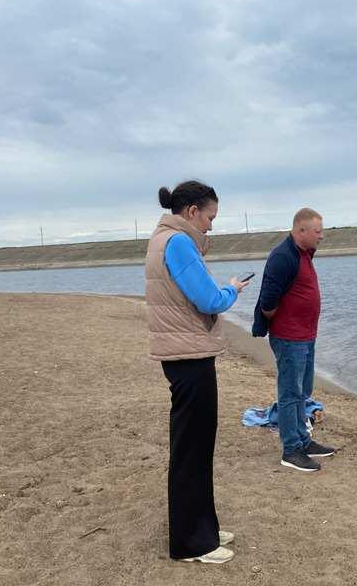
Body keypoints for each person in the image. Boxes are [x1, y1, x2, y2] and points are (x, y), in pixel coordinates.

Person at [145, 180, 250, 564]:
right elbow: (209, 299)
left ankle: (201, 526)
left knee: (194, 447)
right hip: (189, 357)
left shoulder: (164, 238)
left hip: (182, 355)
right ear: (192, 212)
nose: (211, 226)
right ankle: (193, 543)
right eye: (210, 217)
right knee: (192, 449)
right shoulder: (179, 242)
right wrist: (232, 289)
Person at [251, 208, 335, 472]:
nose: (322, 236)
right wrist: (284, 325)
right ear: (301, 231)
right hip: (289, 338)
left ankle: (303, 440)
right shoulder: (282, 256)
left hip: (306, 337)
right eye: (318, 231)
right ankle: (291, 450)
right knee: (289, 395)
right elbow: (267, 303)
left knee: (303, 392)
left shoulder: (305, 254)